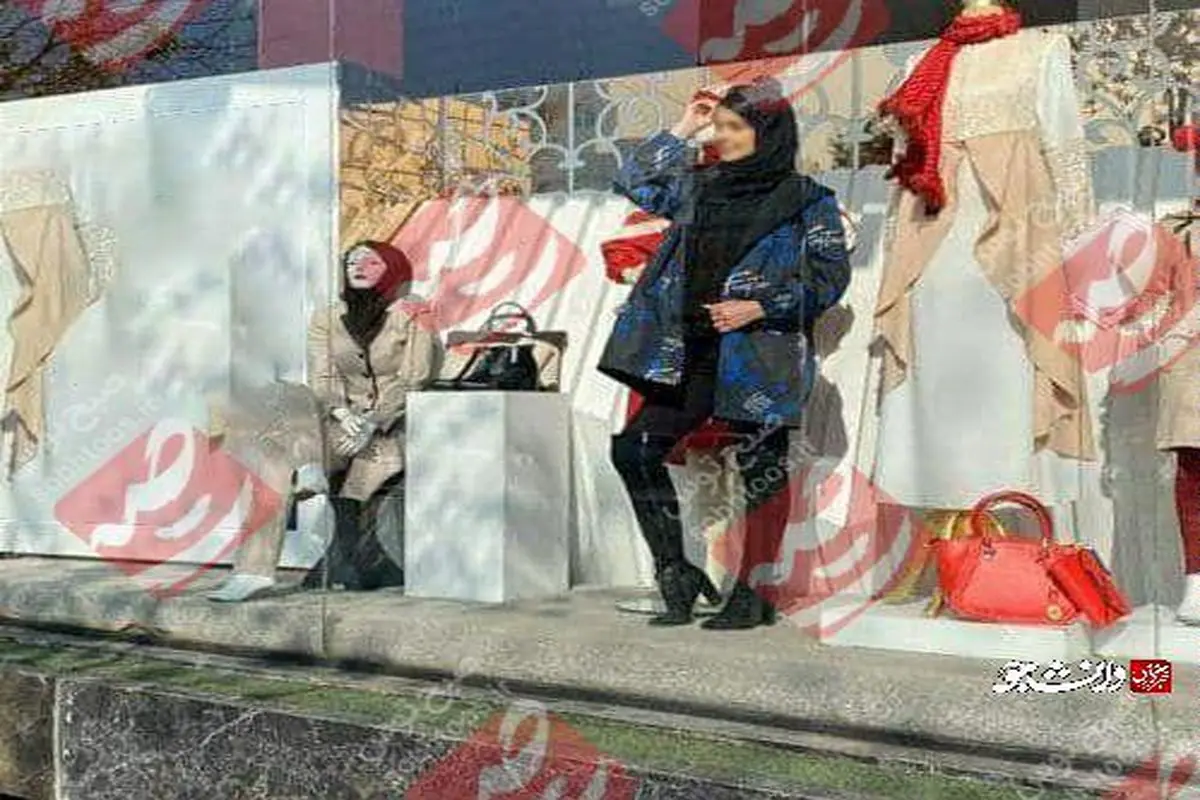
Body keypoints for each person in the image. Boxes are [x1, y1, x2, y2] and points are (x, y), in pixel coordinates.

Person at [598, 81, 852, 629]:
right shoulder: (699, 186)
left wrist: (759, 306)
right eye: (720, 127)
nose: (722, 138)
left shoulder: (808, 200)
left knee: (761, 468)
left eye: (736, 128)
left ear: (768, 132)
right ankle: (676, 571)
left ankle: (754, 591)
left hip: (761, 352)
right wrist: (684, 126)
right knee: (635, 449)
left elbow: (830, 278)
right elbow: (634, 180)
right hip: (687, 348)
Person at [304, 240, 439, 590]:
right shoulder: (326, 317)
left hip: (397, 419)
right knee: (322, 455)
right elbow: (322, 374)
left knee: (367, 468)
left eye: (371, 262)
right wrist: (340, 411)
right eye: (352, 262)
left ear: (392, 270)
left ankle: (350, 559)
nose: (359, 268)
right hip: (344, 419)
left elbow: (415, 375)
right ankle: (351, 558)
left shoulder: (415, 311)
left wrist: (373, 421)